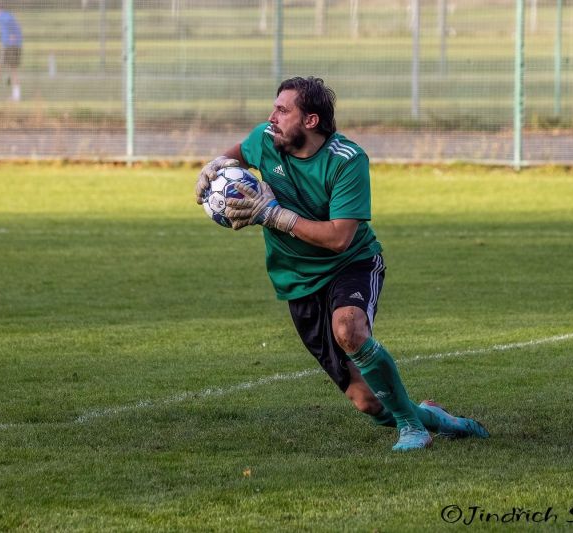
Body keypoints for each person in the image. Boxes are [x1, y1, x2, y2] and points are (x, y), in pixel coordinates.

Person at [195, 76, 489, 451]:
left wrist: (273, 215)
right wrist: (215, 165)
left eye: (283, 111)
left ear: (311, 121)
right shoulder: (266, 139)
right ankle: (432, 417)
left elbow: (339, 238)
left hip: (351, 263)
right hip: (297, 281)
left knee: (348, 328)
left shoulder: (347, 161)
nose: (272, 117)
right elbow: (237, 154)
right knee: (368, 403)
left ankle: (412, 430)